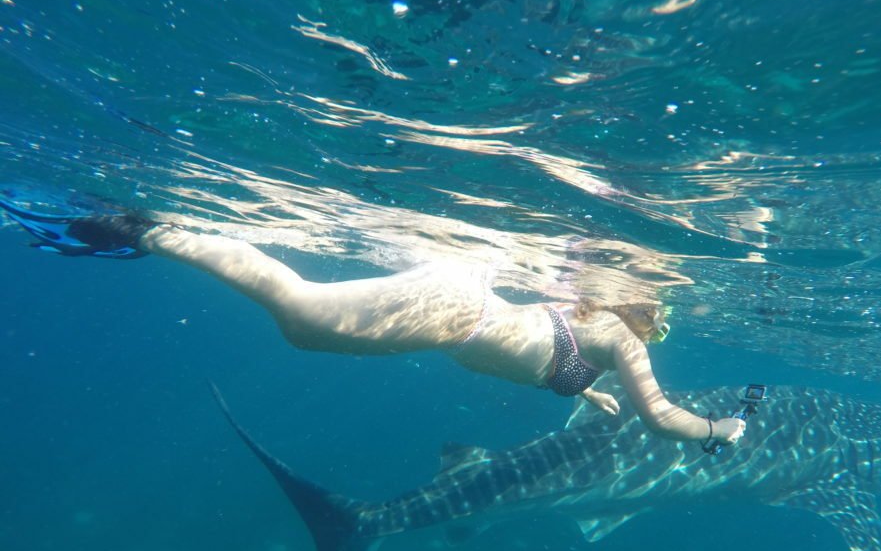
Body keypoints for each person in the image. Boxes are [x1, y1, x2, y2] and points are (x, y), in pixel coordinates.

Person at [0, 196, 746, 447]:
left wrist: (583, 393)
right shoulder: (616, 336)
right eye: (660, 323)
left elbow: (547, 354)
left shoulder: (593, 335)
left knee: (298, 316)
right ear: (641, 315)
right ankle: (144, 230)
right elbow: (664, 420)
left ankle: (139, 234)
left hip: (461, 310)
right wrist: (720, 433)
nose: (657, 335)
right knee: (297, 314)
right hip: (460, 309)